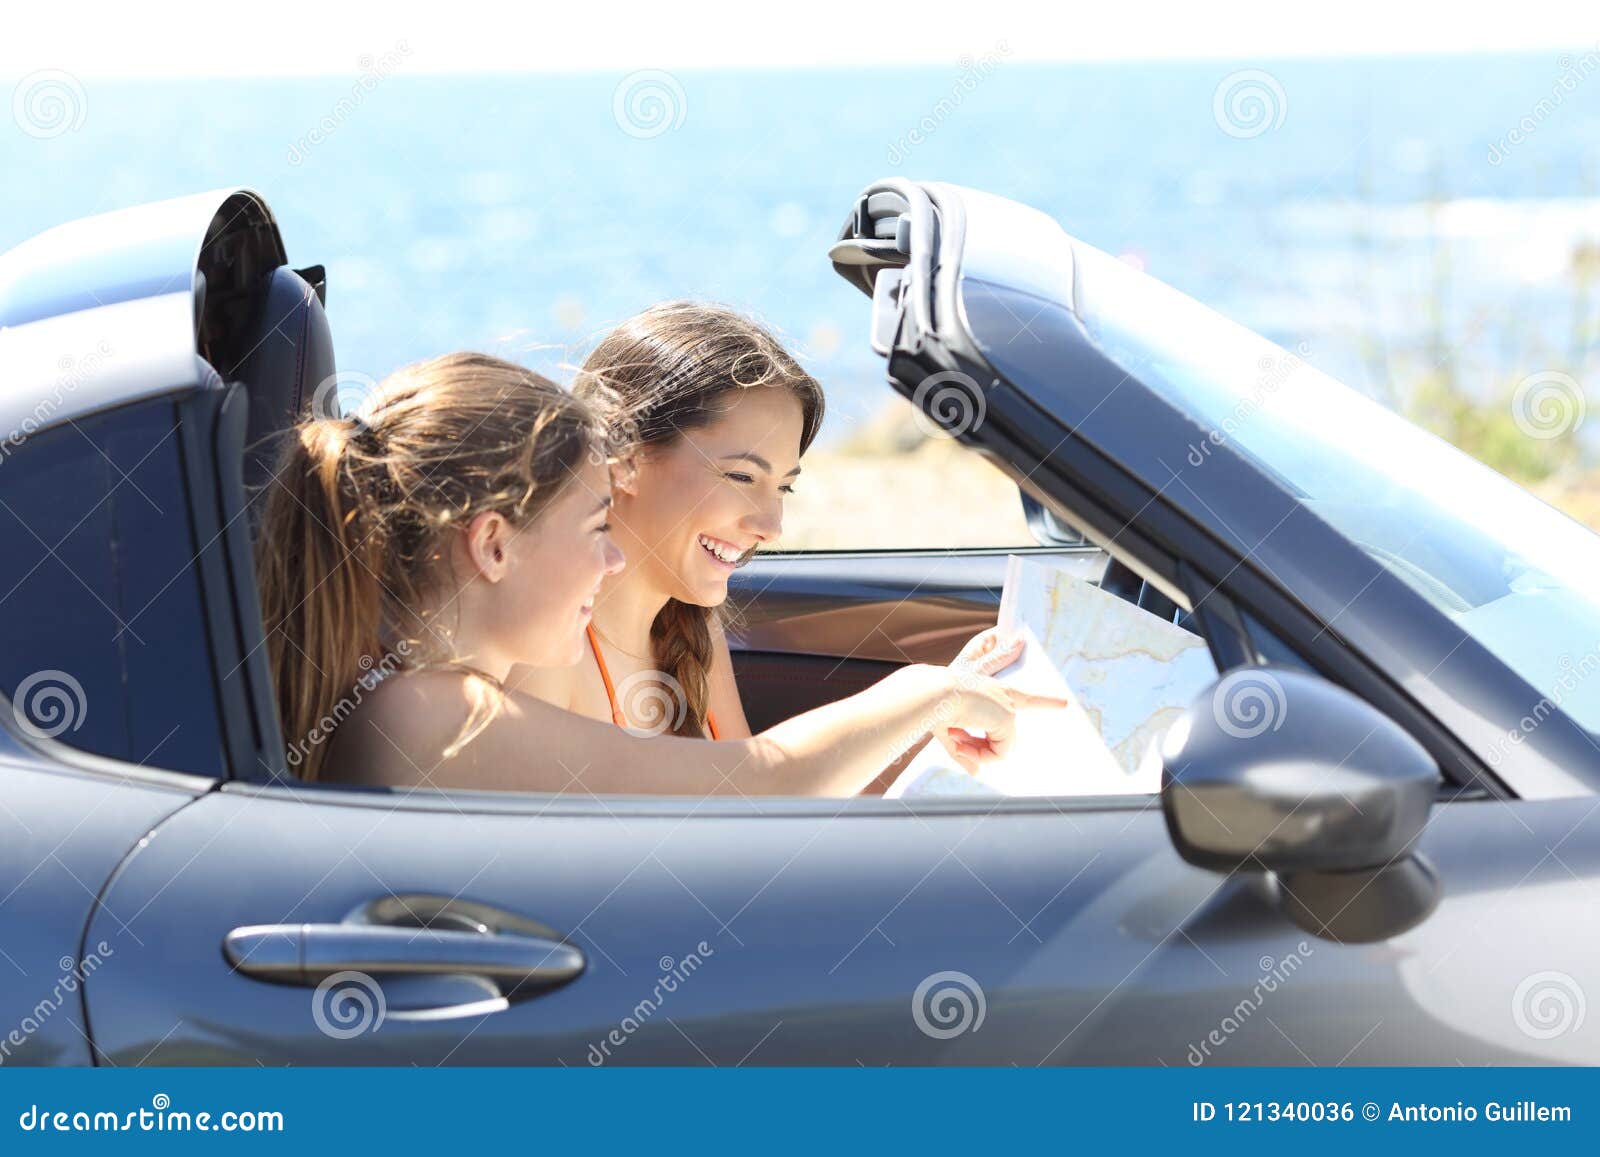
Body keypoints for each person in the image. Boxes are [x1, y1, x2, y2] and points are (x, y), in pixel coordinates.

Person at [255, 350, 1062, 795]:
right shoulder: (429, 712)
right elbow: (756, 790)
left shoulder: (426, 696)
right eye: (595, 528)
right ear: (494, 545)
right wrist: (924, 693)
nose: (612, 558)